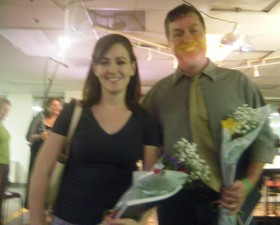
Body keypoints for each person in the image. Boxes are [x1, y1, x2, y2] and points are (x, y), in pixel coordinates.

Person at [142, 3, 275, 225]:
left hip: (231, 199)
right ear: (169, 44)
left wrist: (248, 184)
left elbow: (263, 142)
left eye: (194, 30)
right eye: (178, 33)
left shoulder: (238, 84)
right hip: (176, 205)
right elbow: (146, 149)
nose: (187, 37)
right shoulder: (157, 95)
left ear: (205, 35)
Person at [29, 33, 161, 225]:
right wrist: (35, 220)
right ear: (95, 68)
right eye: (104, 62)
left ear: (132, 68)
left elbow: (151, 183)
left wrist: (139, 222)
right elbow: (41, 169)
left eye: (120, 62)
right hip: (67, 219)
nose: (112, 69)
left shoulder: (146, 121)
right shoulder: (73, 112)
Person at [24, 97, 62, 208]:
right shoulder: (39, 119)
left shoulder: (61, 121)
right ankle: (35, 206)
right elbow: (28, 137)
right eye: (54, 105)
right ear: (48, 106)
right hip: (38, 153)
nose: (57, 107)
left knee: (51, 181)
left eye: (59, 105)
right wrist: (41, 136)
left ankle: (48, 207)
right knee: (37, 179)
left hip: (53, 155)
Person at [0, 97, 11, 225]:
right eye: (5, 109)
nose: (7, 112)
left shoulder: (1, 123)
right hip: (0, 164)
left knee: (1, 194)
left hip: (4, 164)